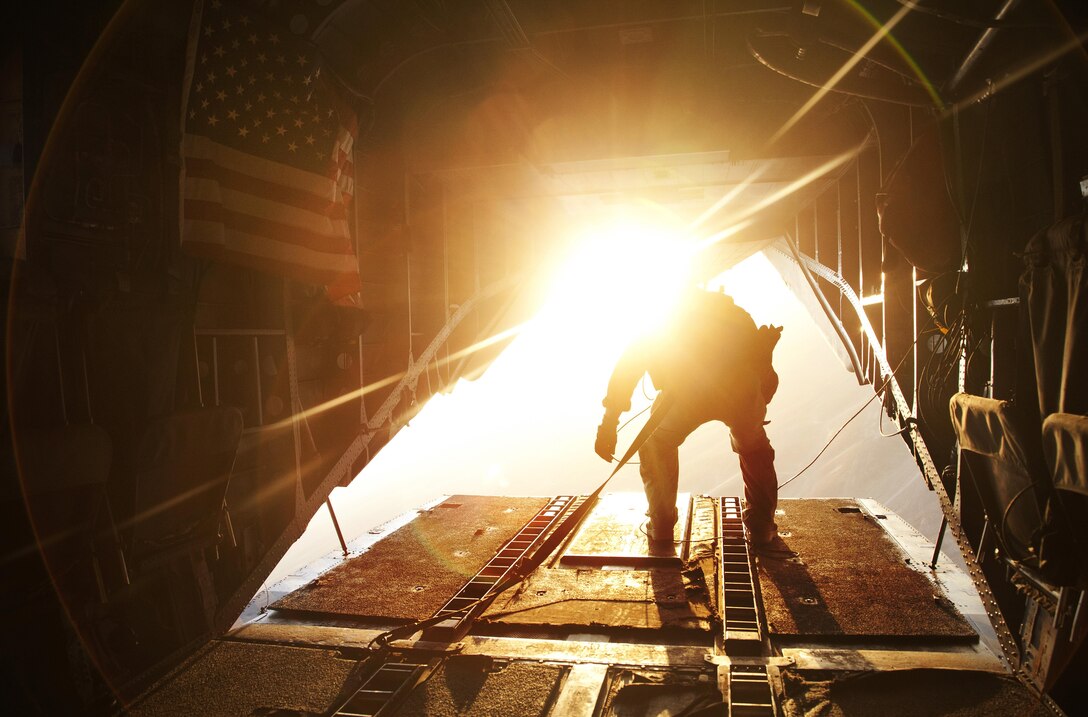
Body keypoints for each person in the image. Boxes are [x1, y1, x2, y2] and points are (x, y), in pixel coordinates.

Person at [594, 289, 783, 549]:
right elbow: (765, 374)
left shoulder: (663, 320)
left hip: (684, 393)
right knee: (754, 448)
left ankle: (660, 525)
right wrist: (755, 406)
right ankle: (761, 526)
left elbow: (627, 369)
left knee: (657, 445)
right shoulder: (738, 317)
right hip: (741, 389)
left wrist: (609, 423)